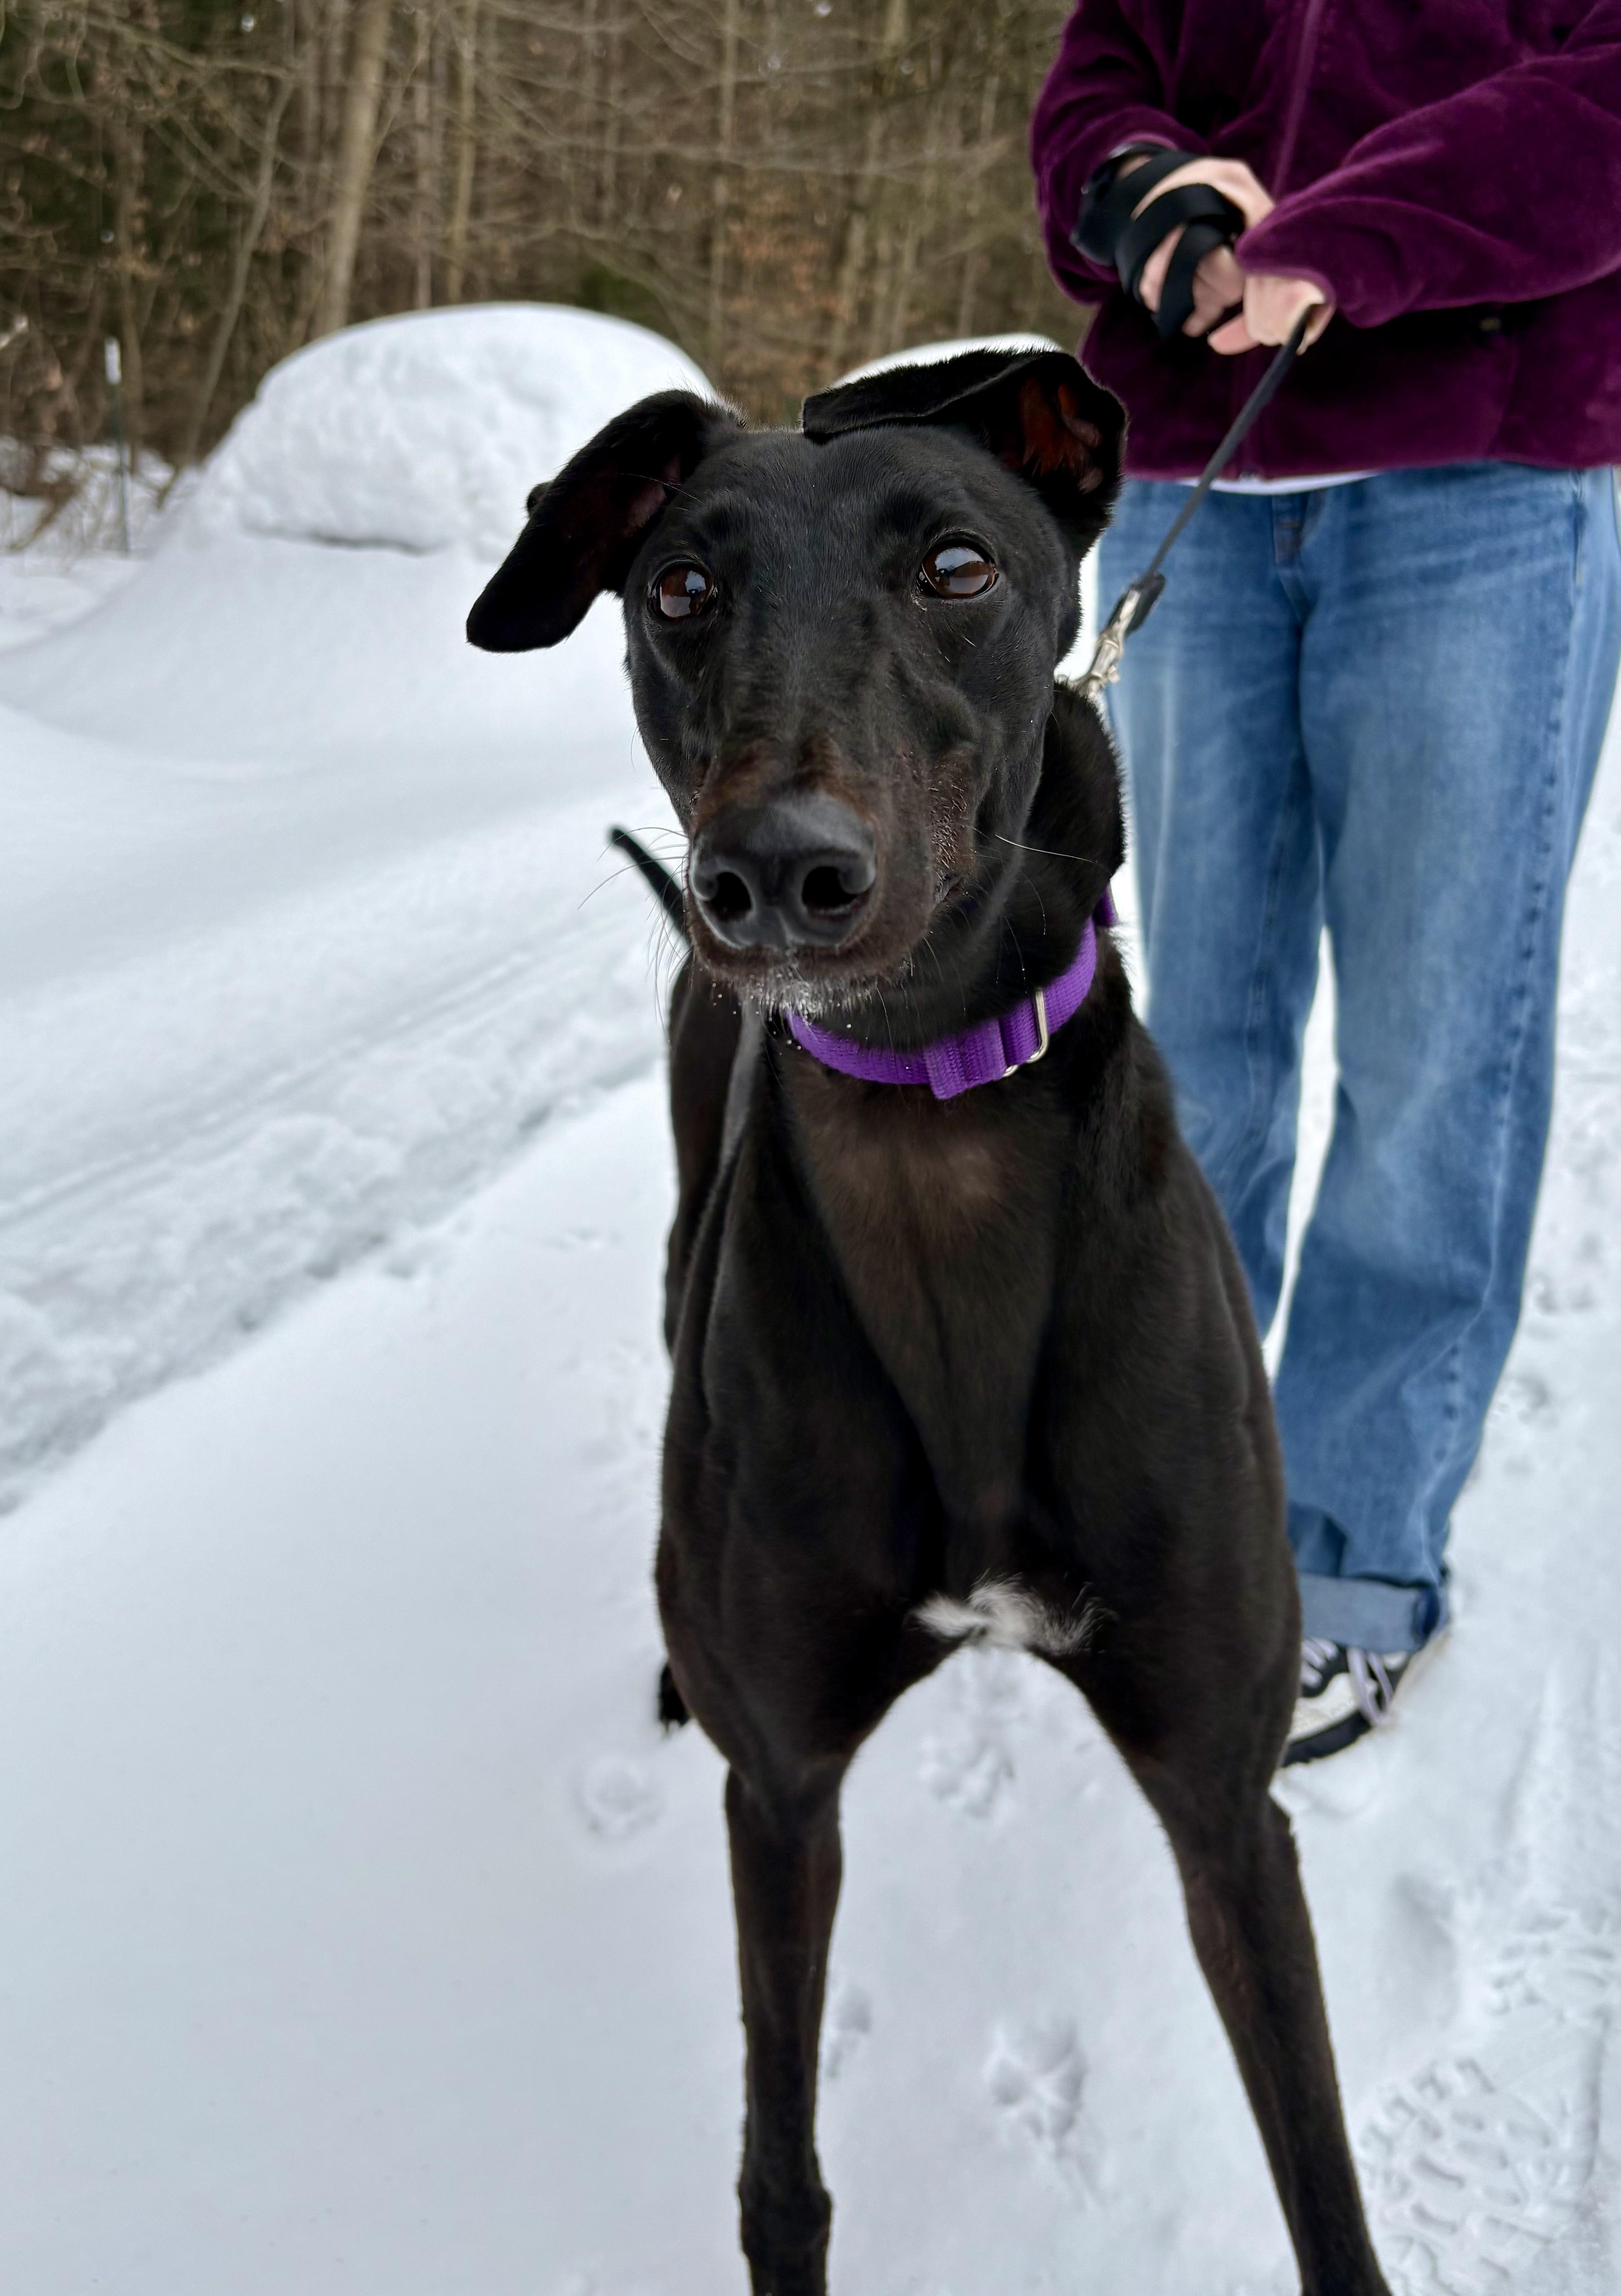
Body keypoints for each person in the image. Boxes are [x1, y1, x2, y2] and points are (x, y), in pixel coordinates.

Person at [1030, 4, 1621, 1761]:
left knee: (1435, 1052)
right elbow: (1097, 83)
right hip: (1189, 489)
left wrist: (1327, 241)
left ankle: (1353, 1562)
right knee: (1187, 1049)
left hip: (1480, 492)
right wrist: (1146, 197)